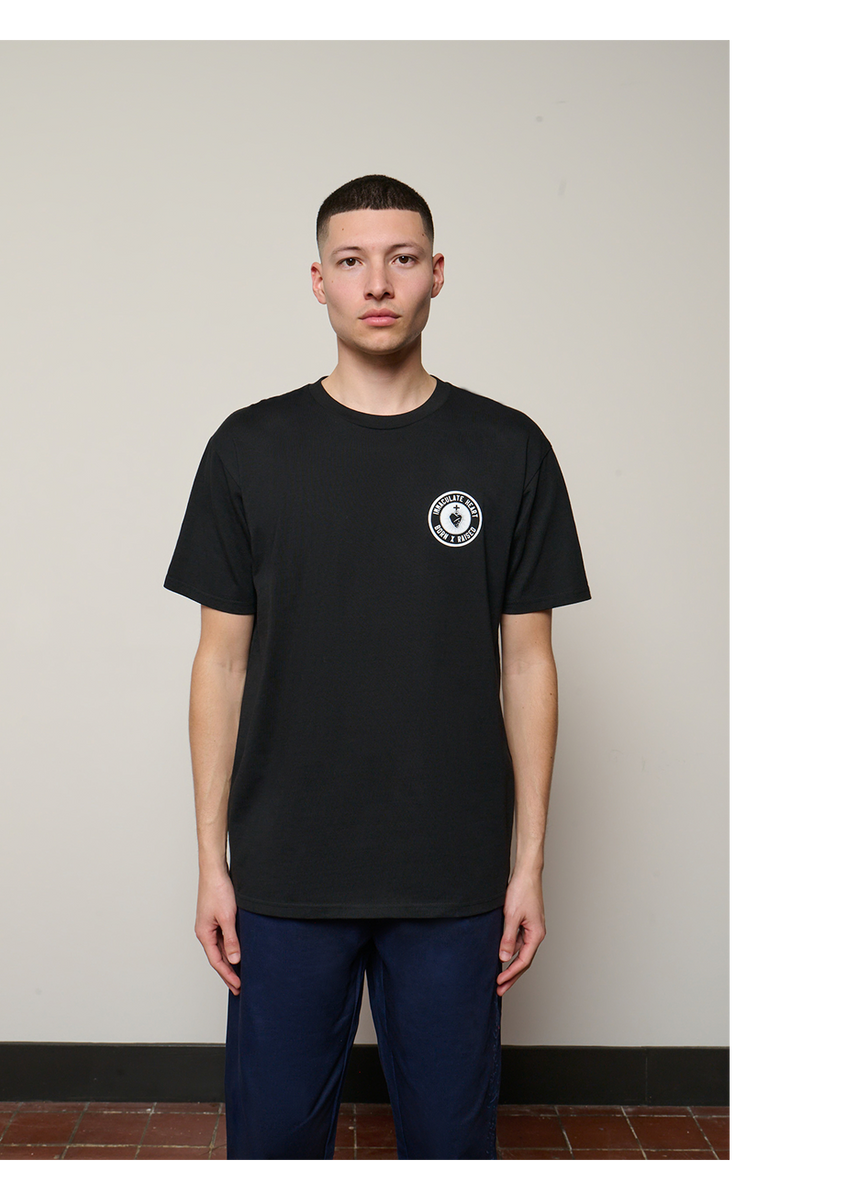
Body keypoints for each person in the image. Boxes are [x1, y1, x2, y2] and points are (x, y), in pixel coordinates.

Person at [164, 175, 590, 1162]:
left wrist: (527, 866)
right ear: (318, 281)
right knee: (271, 1143)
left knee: (451, 1143)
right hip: (285, 871)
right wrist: (211, 865)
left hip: (452, 874)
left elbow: (529, 667)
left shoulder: (508, 449)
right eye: (352, 261)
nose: (379, 283)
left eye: (402, 259)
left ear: (437, 273)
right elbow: (219, 667)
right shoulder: (248, 449)